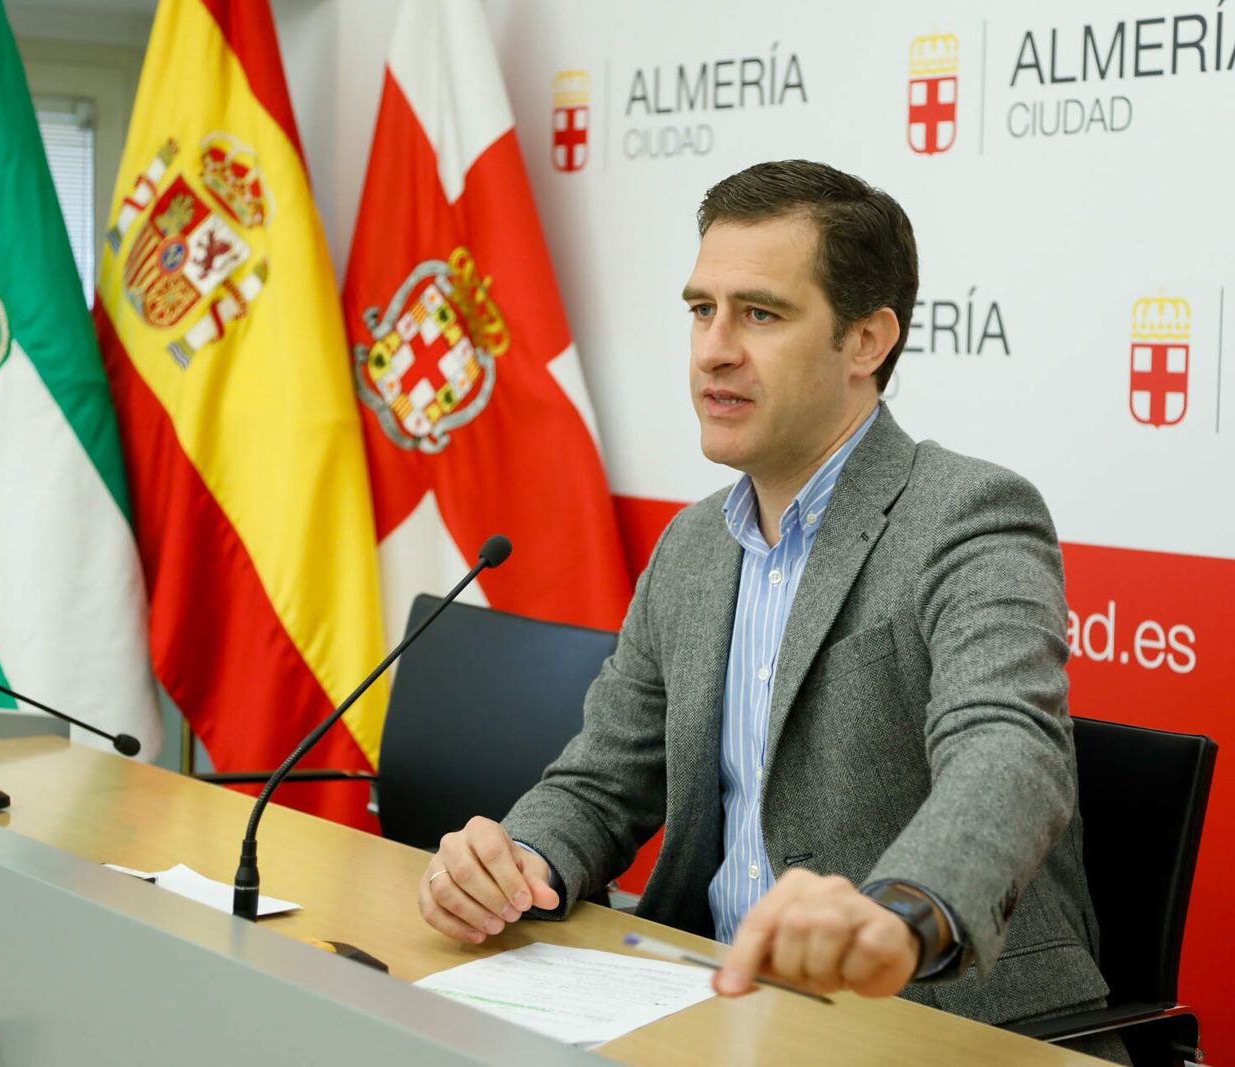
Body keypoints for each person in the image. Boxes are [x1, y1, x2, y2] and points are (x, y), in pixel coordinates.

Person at [416, 160, 1125, 1062]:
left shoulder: (970, 513)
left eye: (760, 313)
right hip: (716, 1011)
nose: (714, 348)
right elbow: (604, 779)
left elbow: (1007, 751)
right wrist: (516, 863)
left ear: (866, 340)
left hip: (938, 1023)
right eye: (700, 310)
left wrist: (899, 915)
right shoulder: (693, 547)